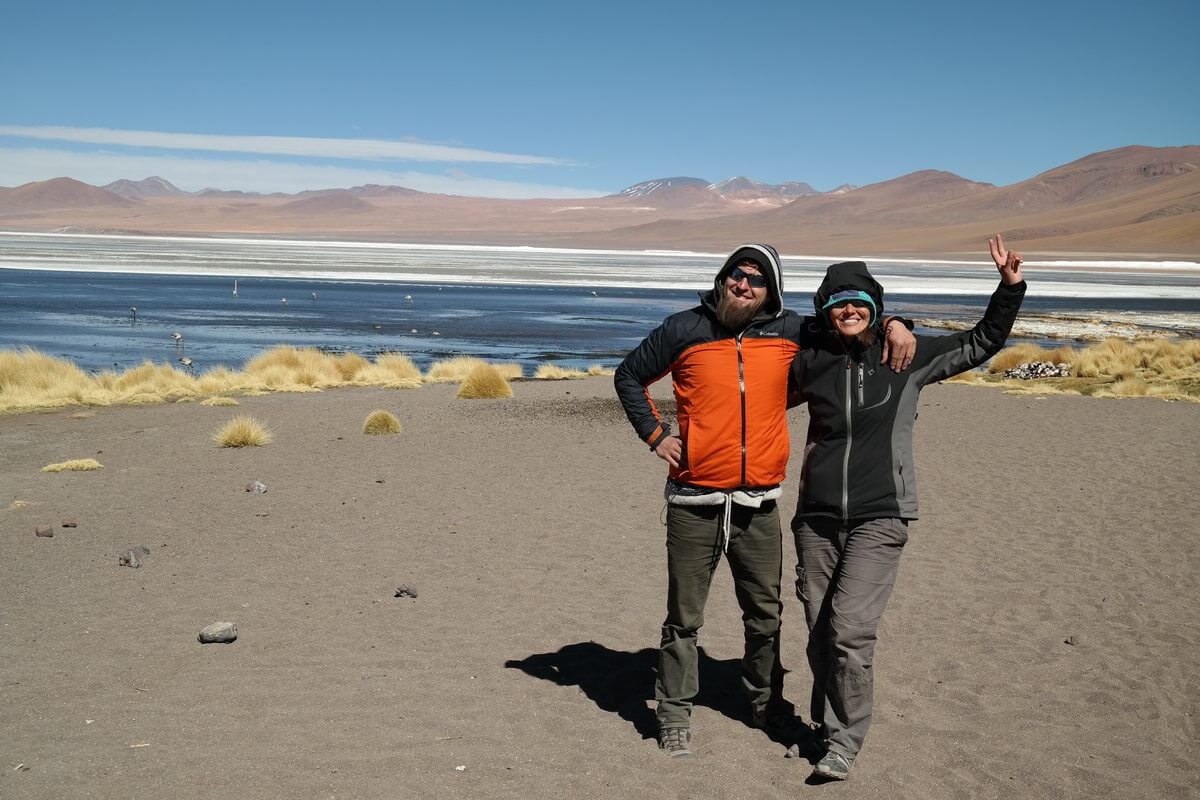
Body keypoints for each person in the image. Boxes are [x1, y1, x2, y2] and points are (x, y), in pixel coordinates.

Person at [614, 244, 917, 759]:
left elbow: (850, 318)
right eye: (738, 274)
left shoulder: (789, 331)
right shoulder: (683, 328)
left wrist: (896, 323)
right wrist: (656, 435)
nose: (744, 285)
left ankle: (765, 703)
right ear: (723, 277)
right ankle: (673, 713)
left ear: (771, 290)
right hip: (694, 501)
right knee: (684, 617)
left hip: (759, 503)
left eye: (757, 279)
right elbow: (628, 376)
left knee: (766, 614)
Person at [789, 235, 1026, 781]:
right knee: (820, 628)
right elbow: (759, 378)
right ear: (825, 310)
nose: (848, 311)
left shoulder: (906, 357)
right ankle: (827, 728)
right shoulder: (812, 362)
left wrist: (1009, 289)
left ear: (873, 306)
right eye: (837, 303)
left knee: (849, 629)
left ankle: (846, 741)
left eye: (861, 303)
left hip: (882, 514)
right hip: (817, 518)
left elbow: (981, 342)